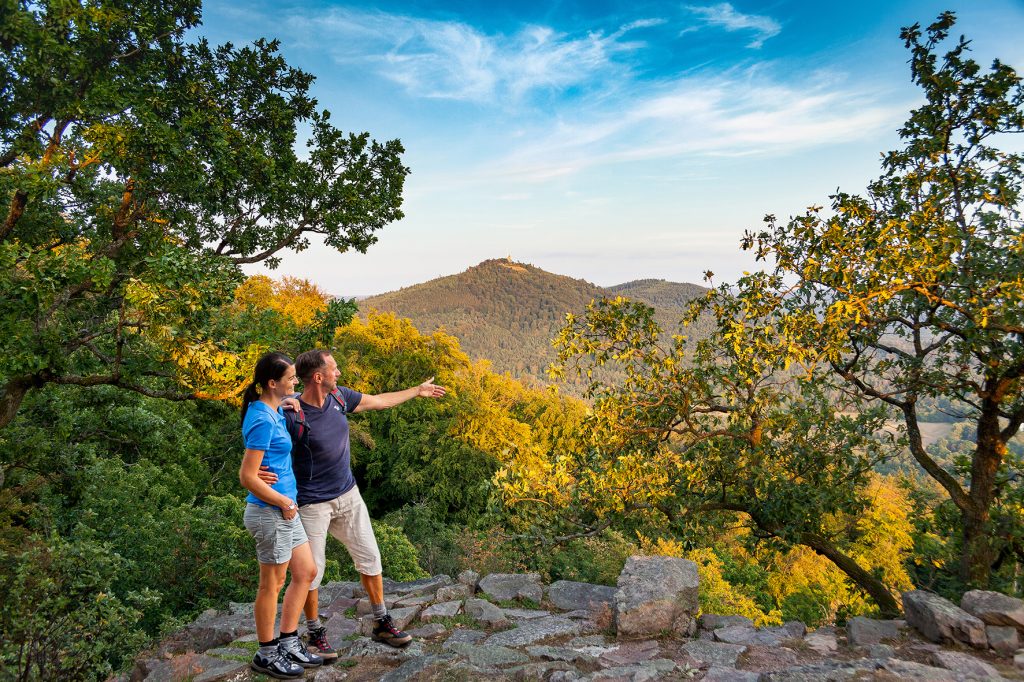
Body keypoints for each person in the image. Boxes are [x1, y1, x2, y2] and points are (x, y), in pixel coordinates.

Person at [258, 348, 446, 658]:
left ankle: (382, 621)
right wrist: (259, 471)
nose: (339, 373)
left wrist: (418, 391)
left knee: (371, 557)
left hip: (348, 495)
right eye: (334, 369)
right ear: (318, 377)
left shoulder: (340, 398)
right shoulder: (291, 413)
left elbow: (379, 400)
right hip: (311, 504)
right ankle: (315, 632)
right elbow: (265, 441)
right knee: (310, 573)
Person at [239, 352, 324, 679]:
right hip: (271, 512)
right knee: (271, 585)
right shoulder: (262, 417)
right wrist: (284, 503)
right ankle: (266, 653)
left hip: (284, 510)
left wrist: (285, 405)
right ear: (272, 383)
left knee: (306, 571)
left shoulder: (269, 410)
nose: (295, 382)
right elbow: (247, 476)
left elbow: (261, 449)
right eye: (290, 378)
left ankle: (288, 641)